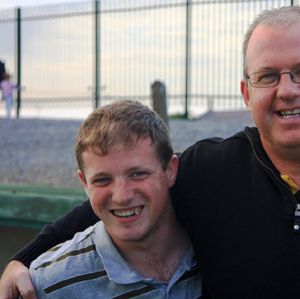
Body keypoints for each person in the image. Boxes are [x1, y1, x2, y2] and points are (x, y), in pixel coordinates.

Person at [0, 6, 300, 299]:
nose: (286, 90)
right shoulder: (211, 170)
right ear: (246, 93)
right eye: (267, 76)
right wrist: (23, 259)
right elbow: (121, 196)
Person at [28, 100, 202, 298]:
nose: (121, 196)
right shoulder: (48, 285)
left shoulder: (220, 250)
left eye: (138, 174)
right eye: (102, 180)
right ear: (84, 183)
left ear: (170, 171)